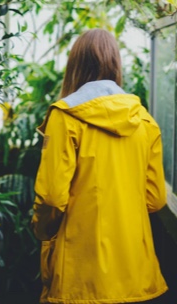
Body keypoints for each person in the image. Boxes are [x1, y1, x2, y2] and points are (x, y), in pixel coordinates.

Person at [31, 28, 168, 304]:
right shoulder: (145, 122)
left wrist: (41, 230)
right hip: (135, 275)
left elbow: (52, 197)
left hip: (80, 278)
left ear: (76, 66)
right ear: (116, 65)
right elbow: (155, 199)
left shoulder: (65, 117)